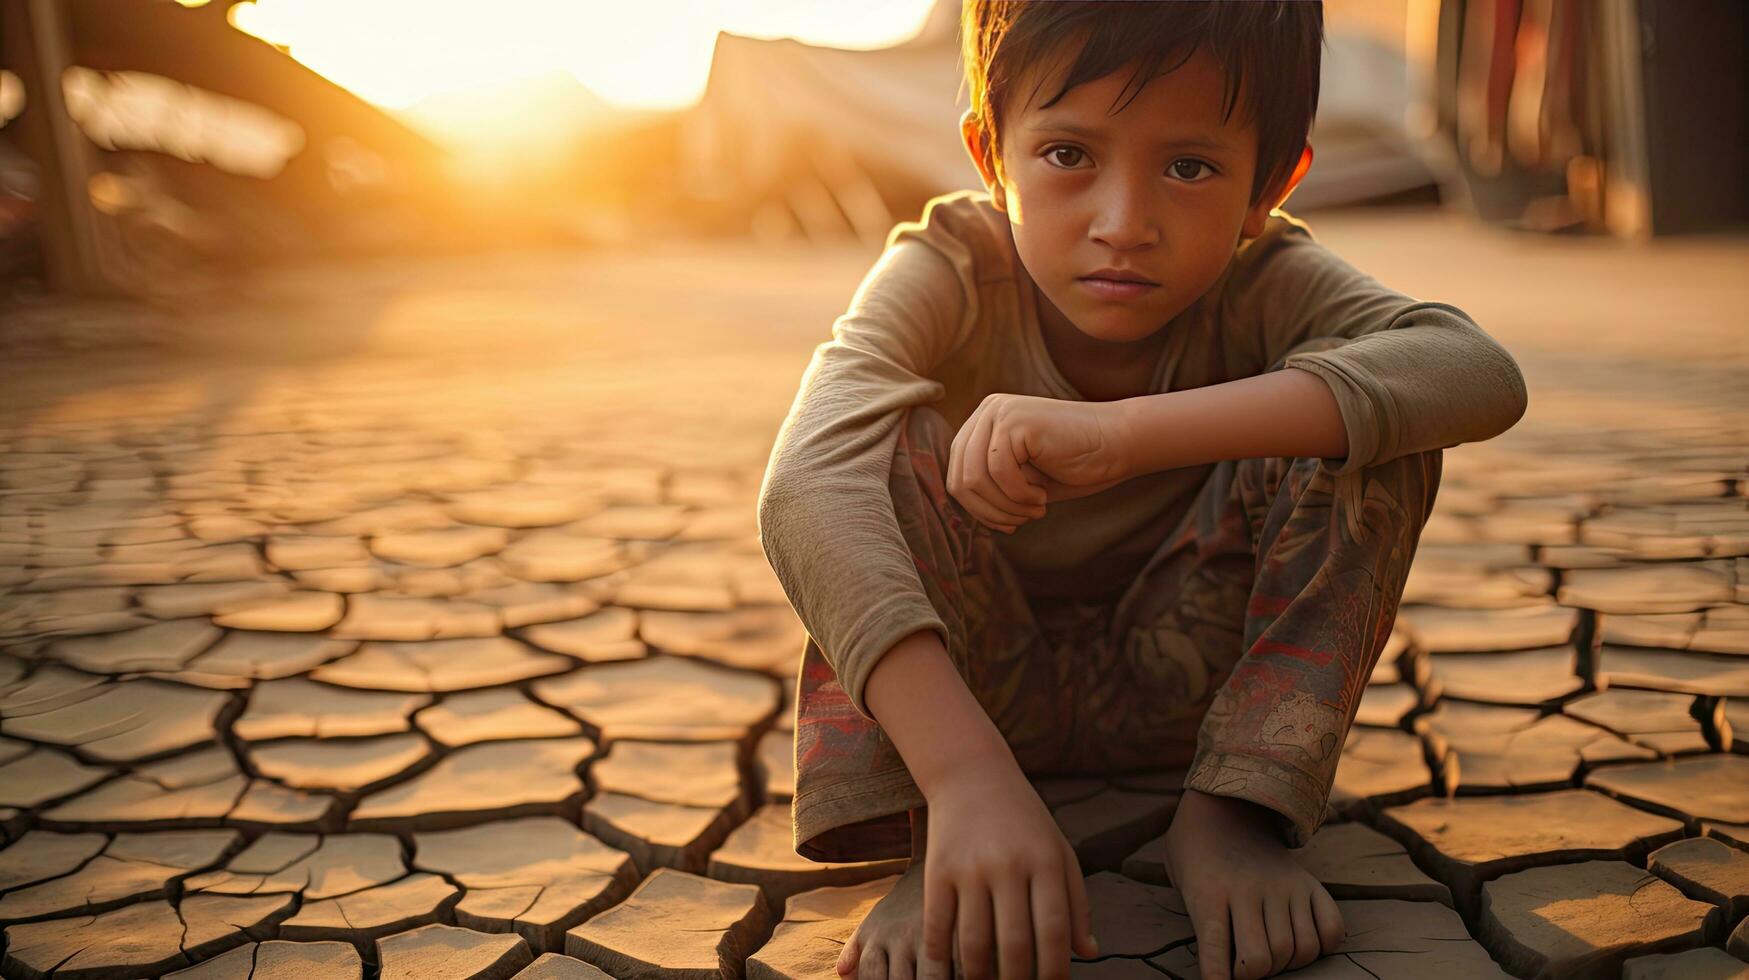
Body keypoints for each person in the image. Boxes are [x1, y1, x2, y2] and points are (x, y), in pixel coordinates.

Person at [755, 3, 1528, 979]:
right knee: (869, 446)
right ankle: (934, 833)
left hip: (1184, 691)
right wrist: (964, 775)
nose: (1124, 223)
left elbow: (1474, 370)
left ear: (1271, 183)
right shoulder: (949, 264)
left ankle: (1232, 811)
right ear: (991, 155)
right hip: (978, 688)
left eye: (1190, 167)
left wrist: (1124, 437)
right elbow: (801, 483)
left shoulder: (1268, 279)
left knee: (1377, 426)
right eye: (1070, 153)